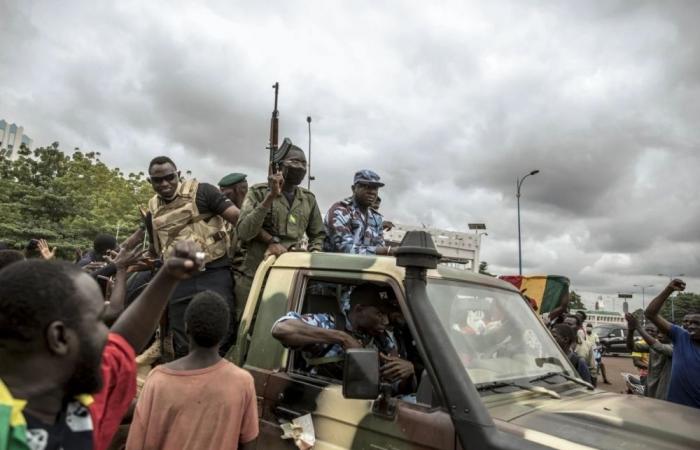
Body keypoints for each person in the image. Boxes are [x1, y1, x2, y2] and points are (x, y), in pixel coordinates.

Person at [0, 241, 203, 450]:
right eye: (98, 321)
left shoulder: (70, 401)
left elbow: (123, 342)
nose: (108, 335)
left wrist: (169, 275)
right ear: (59, 338)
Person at [126, 291, 258, 450]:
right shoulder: (242, 382)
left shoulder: (159, 380)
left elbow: (135, 444)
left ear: (186, 327)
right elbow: (248, 442)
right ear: (225, 332)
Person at [146, 156, 240, 358]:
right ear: (150, 182)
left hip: (213, 271)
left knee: (222, 328)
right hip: (180, 279)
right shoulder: (151, 208)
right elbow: (155, 246)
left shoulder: (204, 191)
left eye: (169, 177)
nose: (164, 184)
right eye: (157, 180)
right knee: (182, 335)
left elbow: (238, 218)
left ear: (178, 175)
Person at [235, 139, 325, 325]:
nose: (300, 167)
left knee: (283, 328)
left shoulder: (308, 199)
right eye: (294, 162)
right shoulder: (258, 192)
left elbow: (318, 234)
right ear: (279, 166)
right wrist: (270, 196)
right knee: (246, 328)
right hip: (256, 276)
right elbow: (244, 231)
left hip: (290, 279)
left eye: (303, 163)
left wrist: (313, 255)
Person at [271, 283, 415, 393]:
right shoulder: (329, 323)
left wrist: (408, 372)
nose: (385, 321)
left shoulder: (382, 340)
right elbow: (281, 329)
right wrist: (342, 337)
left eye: (386, 315)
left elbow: (394, 389)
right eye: (379, 314)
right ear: (359, 310)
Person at [644, 279, 700, 408]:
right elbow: (650, 313)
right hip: (674, 408)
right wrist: (668, 290)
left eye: (696, 323)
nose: (690, 326)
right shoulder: (682, 337)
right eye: (689, 323)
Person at [324, 170, 395, 255]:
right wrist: (387, 251)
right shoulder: (340, 211)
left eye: (375, 188)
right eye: (366, 187)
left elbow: (379, 246)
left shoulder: (376, 218)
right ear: (354, 189)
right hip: (334, 266)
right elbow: (345, 249)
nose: (372, 192)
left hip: (364, 267)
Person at [625, 313, 673, 400]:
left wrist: (638, 327)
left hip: (665, 391)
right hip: (650, 385)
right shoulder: (652, 345)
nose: (659, 335)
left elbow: (660, 348)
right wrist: (631, 330)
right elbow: (631, 348)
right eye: (658, 332)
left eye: (664, 333)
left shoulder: (674, 347)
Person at [564, 315, 596, 384]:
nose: (566, 326)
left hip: (580, 386)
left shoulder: (587, 346)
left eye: (570, 324)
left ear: (578, 327)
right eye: (565, 323)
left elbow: (592, 370)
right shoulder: (558, 344)